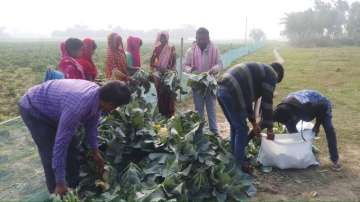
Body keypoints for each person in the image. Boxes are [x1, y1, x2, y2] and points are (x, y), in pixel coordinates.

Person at [18, 79, 131, 196]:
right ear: (110, 103)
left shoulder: (98, 98)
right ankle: (57, 192)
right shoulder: (78, 106)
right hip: (34, 109)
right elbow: (60, 145)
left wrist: (95, 152)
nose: (114, 109)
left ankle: (73, 186)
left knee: (72, 146)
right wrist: (60, 182)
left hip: (55, 108)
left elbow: (91, 127)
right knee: (50, 151)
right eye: (116, 106)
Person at [217, 62, 284, 169]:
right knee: (242, 129)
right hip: (232, 90)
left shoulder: (257, 75)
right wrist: (270, 129)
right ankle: (239, 164)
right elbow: (267, 102)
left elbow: (247, 102)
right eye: (276, 82)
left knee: (236, 126)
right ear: (277, 74)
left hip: (221, 89)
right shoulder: (271, 74)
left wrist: (254, 124)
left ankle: (235, 157)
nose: (274, 85)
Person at [273, 90, 341, 171]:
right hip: (298, 107)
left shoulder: (307, 108)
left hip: (321, 104)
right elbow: (267, 119)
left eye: (287, 121)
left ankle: (335, 159)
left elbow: (321, 108)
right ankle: (298, 154)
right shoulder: (281, 109)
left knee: (329, 129)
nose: (287, 124)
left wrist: (317, 125)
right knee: (293, 131)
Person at [183, 27, 222, 134]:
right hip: (197, 84)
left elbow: (219, 63)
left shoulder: (214, 49)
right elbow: (185, 65)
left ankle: (214, 132)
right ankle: (200, 131)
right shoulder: (191, 50)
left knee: (211, 109)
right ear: (196, 38)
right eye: (199, 39)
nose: (202, 41)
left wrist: (214, 69)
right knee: (198, 109)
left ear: (208, 38)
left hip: (210, 84)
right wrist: (190, 69)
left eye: (204, 39)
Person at [150, 31, 177, 118]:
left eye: (164, 37)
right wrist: (157, 67)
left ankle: (170, 113)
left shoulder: (171, 48)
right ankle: (161, 112)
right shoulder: (156, 48)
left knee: (169, 92)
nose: (162, 39)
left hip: (169, 74)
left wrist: (170, 70)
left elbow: (174, 60)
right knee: (160, 93)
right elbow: (152, 61)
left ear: (167, 38)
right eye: (161, 37)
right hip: (159, 74)